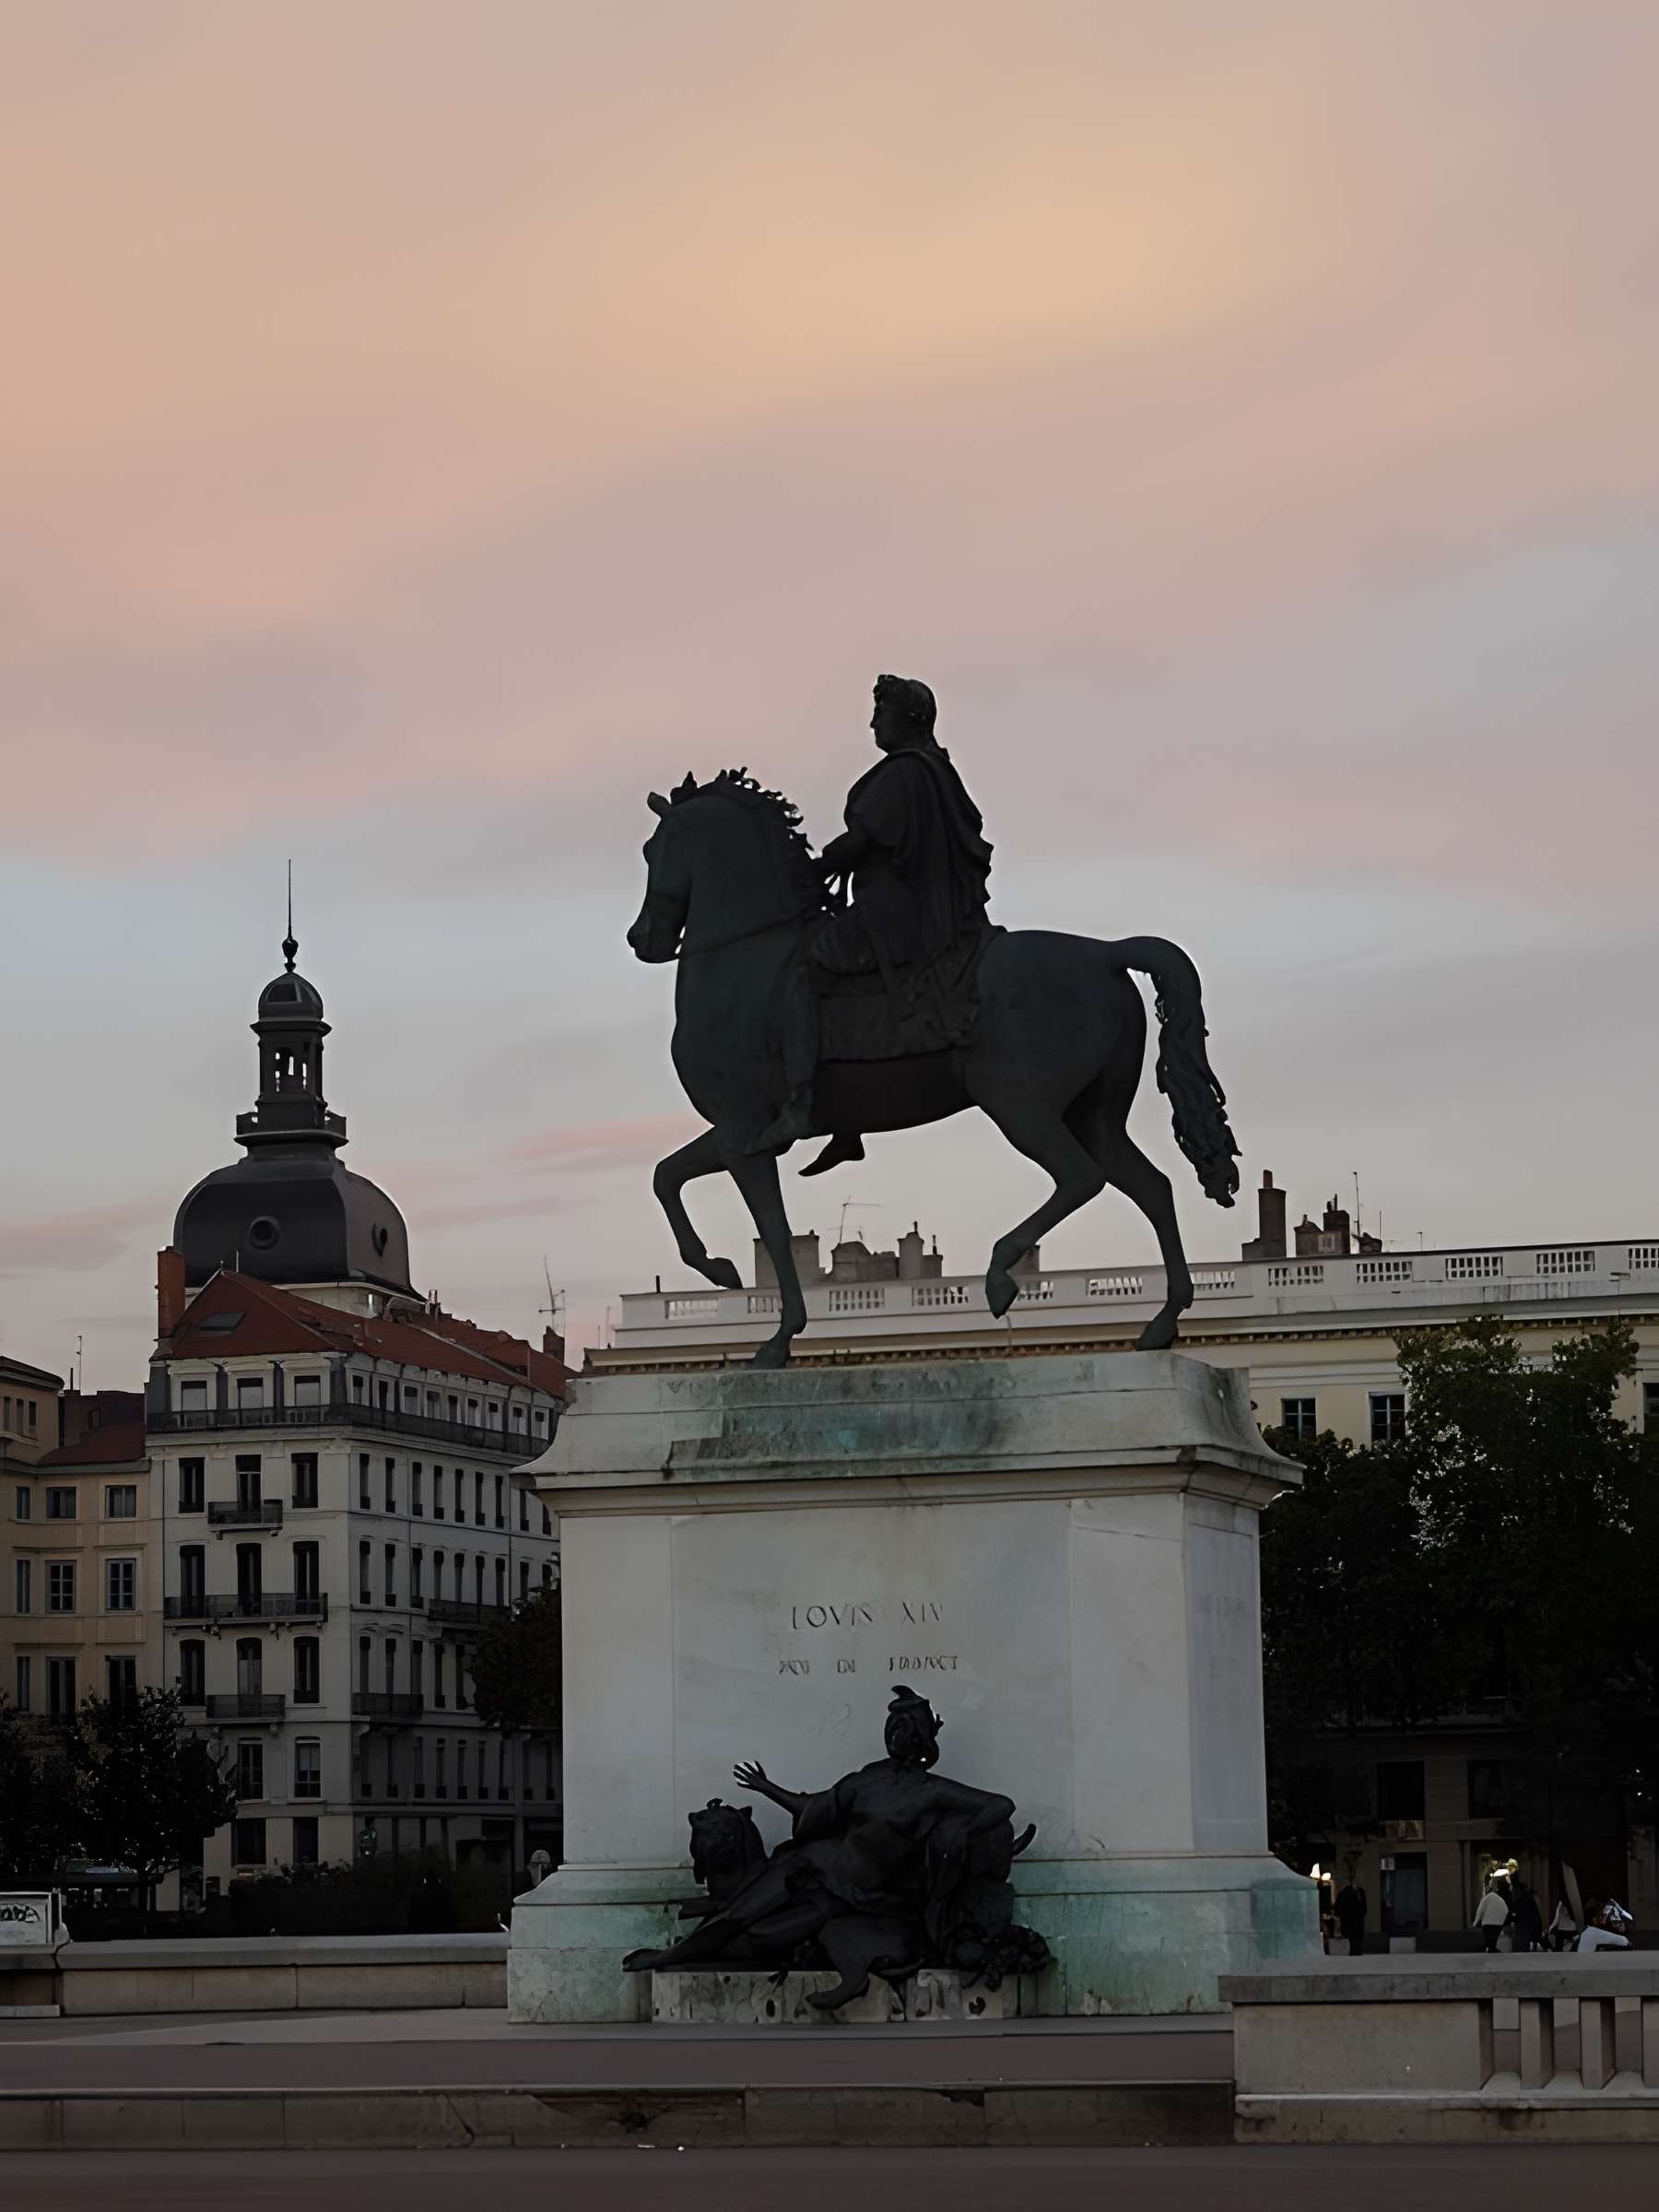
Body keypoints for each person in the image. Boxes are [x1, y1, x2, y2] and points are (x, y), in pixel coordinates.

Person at [756, 675, 994, 1157]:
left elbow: (861, 841)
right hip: (916, 905)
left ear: (907, 719)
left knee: (803, 969)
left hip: (895, 910)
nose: (872, 723)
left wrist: (813, 867)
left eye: (880, 713)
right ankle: (847, 1120)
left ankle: (802, 1105)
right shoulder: (935, 770)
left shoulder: (905, 772)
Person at [1472, 1877, 1512, 1952]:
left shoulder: (1486, 1898)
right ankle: (1493, 1949)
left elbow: (1480, 1910)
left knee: (1488, 1939)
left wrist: (1476, 1922)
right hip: (1498, 1923)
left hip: (1487, 1923)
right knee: (1494, 1938)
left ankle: (1490, 1949)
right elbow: (1506, 1910)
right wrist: (1504, 1921)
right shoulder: (1500, 1899)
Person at [1334, 1878, 1369, 1958]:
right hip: (1357, 1920)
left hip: (1347, 1921)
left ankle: (1352, 1952)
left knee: (1350, 1938)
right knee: (1357, 1939)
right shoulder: (1359, 1892)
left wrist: (1340, 1915)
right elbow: (1364, 1907)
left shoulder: (1342, 1893)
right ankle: (1357, 1951)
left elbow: (1337, 1908)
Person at [1511, 1878, 1544, 1953]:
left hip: (1523, 1926)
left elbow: (1516, 1911)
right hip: (1529, 1926)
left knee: (1521, 1946)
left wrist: (1512, 1918)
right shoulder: (1528, 1898)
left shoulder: (1521, 1899)